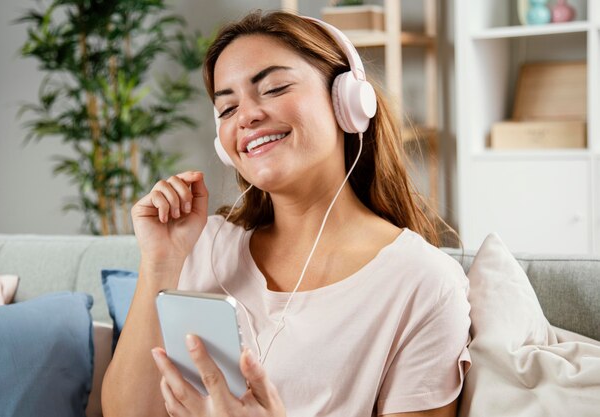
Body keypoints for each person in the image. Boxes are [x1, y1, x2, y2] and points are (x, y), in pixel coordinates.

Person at [102, 10, 471, 417]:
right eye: (227, 109)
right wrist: (160, 263)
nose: (246, 116)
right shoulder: (202, 246)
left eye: (274, 88)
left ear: (347, 101)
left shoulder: (423, 282)